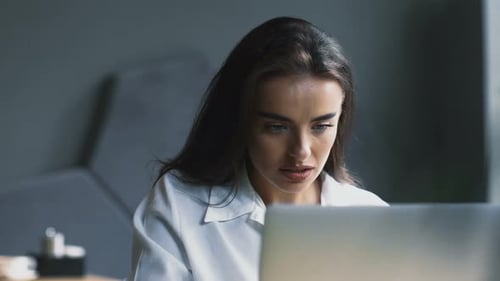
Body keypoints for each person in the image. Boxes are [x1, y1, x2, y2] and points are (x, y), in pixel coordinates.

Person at [128, 16, 388, 281]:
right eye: (277, 127)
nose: (301, 152)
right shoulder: (180, 205)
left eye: (320, 126)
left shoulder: (374, 219)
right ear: (239, 120)